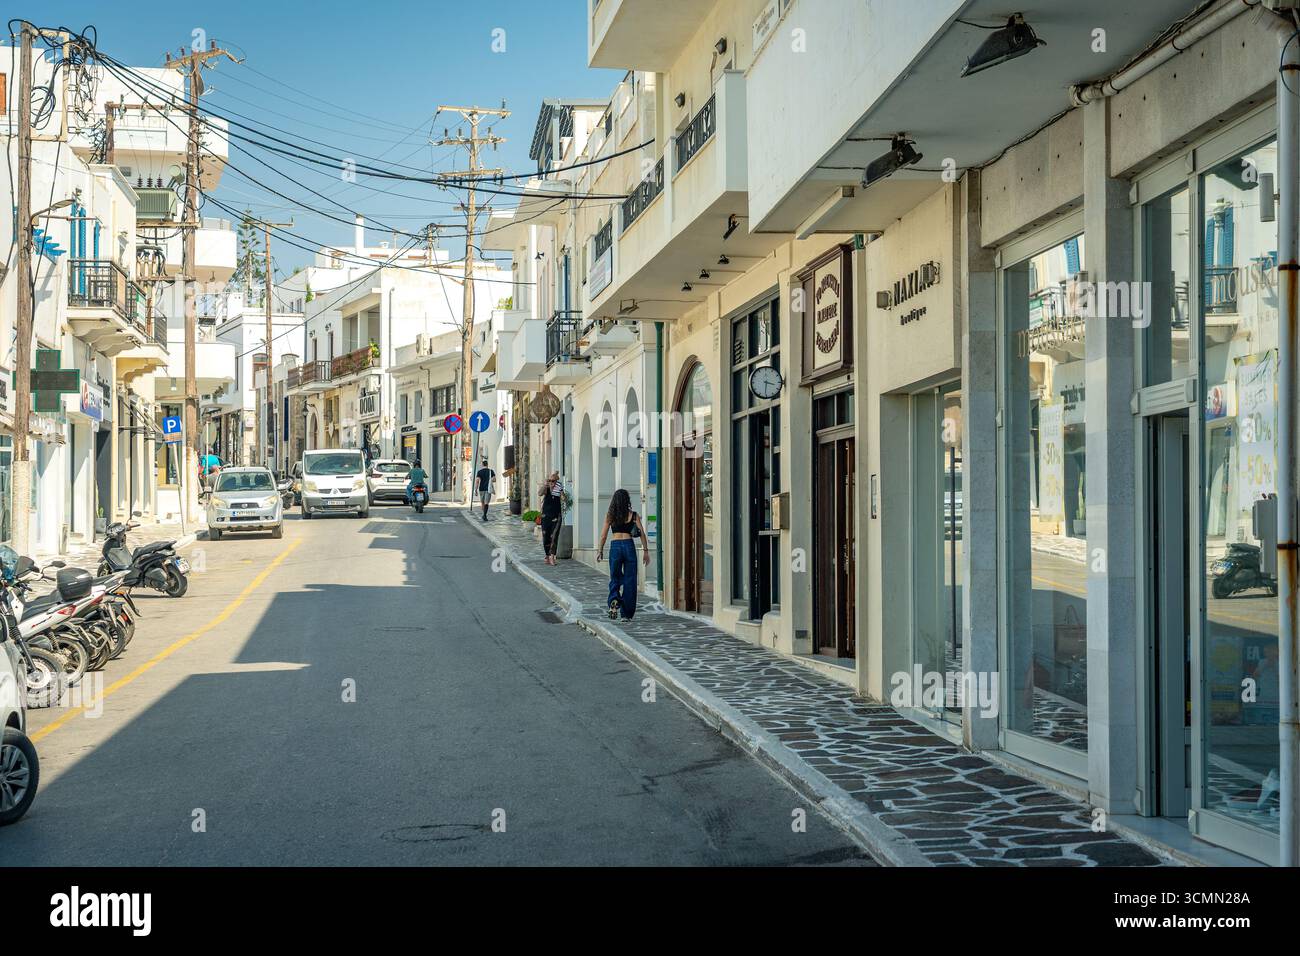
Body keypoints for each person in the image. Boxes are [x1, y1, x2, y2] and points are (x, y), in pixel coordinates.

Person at [596, 488, 649, 621]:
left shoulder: (610, 515)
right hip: (629, 546)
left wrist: (600, 550)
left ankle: (614, 600)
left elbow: (603, 535)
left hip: (615, 546)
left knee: (615, 576)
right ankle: (626, 614)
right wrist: (646, 551)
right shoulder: (634, 515)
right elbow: (642, 534)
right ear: (627, 501)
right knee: (630, 580)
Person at [538, 472, 564, 565]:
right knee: (546, 536)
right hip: (546, 515)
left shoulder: (559, 486)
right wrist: (546, 485)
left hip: (556, 515)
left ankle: (552, 556)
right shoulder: (546, 488)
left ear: (556, 481)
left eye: (553, 481)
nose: (552, 482)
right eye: (550, 480)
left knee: (554, 536)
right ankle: (547, 555)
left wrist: (563, 496)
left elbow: (563, 497)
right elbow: (539, 493)